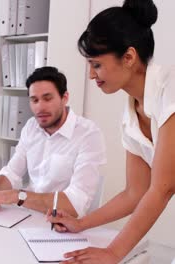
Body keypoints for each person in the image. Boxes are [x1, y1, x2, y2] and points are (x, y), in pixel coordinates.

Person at [47, 0, 175, 263]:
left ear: (128, 57)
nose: (92, 76)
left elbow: (163, 186)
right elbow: (135, 192)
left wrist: (113, 252)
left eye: (96, 64)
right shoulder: (130, 116)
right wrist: (82, 223)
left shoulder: (170, 89)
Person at [0, 66, 106, 218]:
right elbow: (12, 173)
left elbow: (75, 204)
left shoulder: (88, 134)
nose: (40, 107)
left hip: (64, 225)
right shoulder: (31, 126)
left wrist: (17, 196)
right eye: (34, 100)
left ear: (64, 98)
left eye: (47, 98)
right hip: (29, 217)